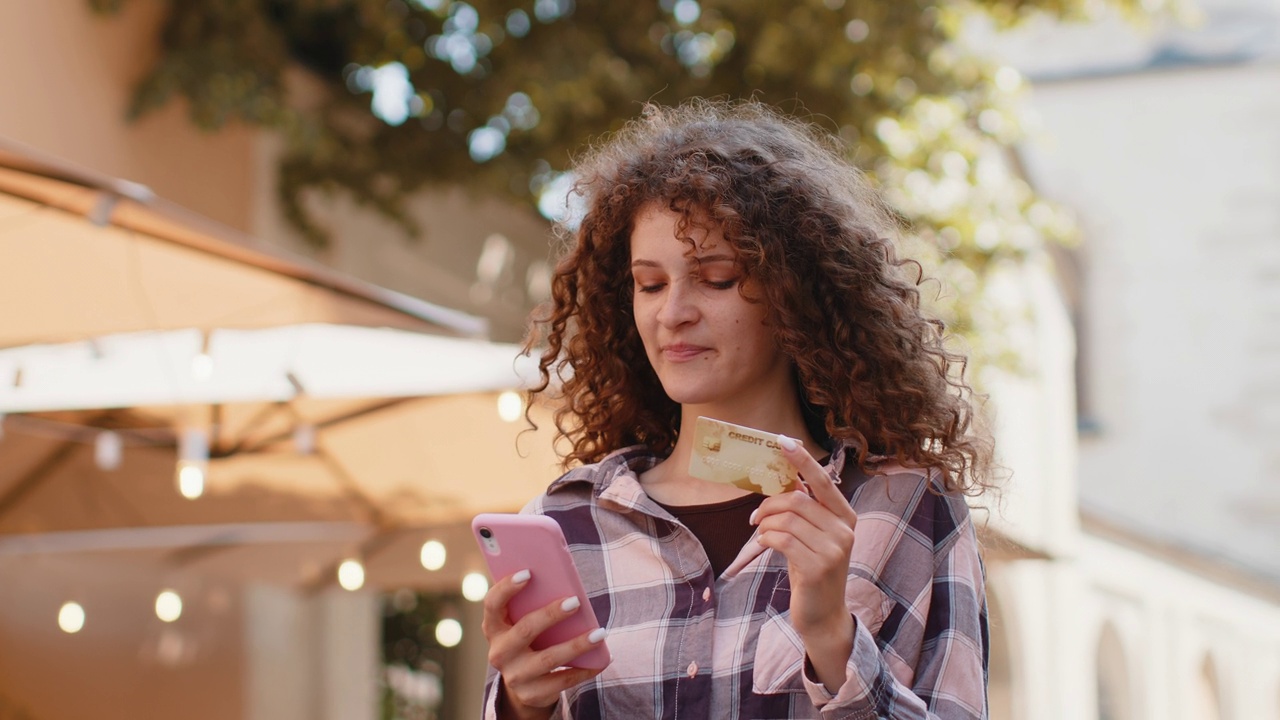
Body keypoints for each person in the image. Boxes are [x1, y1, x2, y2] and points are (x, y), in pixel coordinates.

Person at [481, 99, 994, 720]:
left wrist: (834, 641)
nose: (673, 313)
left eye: (716, 278)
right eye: (650, 284)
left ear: (792, 294)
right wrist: (520, 706)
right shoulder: (567, 523)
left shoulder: (905, 510)